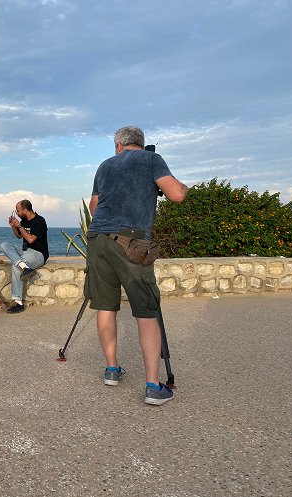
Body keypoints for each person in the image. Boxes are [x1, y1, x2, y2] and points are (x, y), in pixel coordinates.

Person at [87, 126, 188, 406]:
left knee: (105, 307)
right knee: (146, 311)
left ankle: (111, 369)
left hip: (97, 238)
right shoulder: (151, 160)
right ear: (141, 145)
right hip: (130, 241)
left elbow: (95, 206)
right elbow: (177, 194)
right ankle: (153, 386)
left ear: (118, 145)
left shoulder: (105, 165)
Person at [0, 199, 49, 314]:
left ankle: (18, 303)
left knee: (15, 267)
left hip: (38, 254)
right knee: (4, 245)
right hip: (25, 252)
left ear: (25, 210)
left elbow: (31, 239)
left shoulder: (40, 221)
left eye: (18, 211)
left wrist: (19, 225)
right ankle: (24, 266)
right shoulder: (24, 221)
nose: (17, 213)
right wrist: (13, 226)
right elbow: (18, 236)